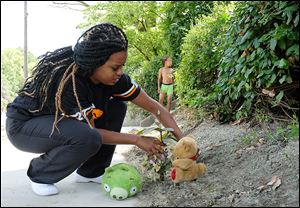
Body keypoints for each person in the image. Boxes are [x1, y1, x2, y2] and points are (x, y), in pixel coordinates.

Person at [5, 23, 183, 196]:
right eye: (115, 67)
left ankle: (91, 172)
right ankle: (40, 175)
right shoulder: (71, 82)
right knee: (86, 136)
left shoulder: (117, 80)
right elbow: (92, 132)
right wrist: (137, 139)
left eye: (122, 66)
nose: (120, 72)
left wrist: (183, 141)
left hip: (58, 125)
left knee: (117, 106)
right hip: (24, 127)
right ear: (94, 63)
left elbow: (154, 107)